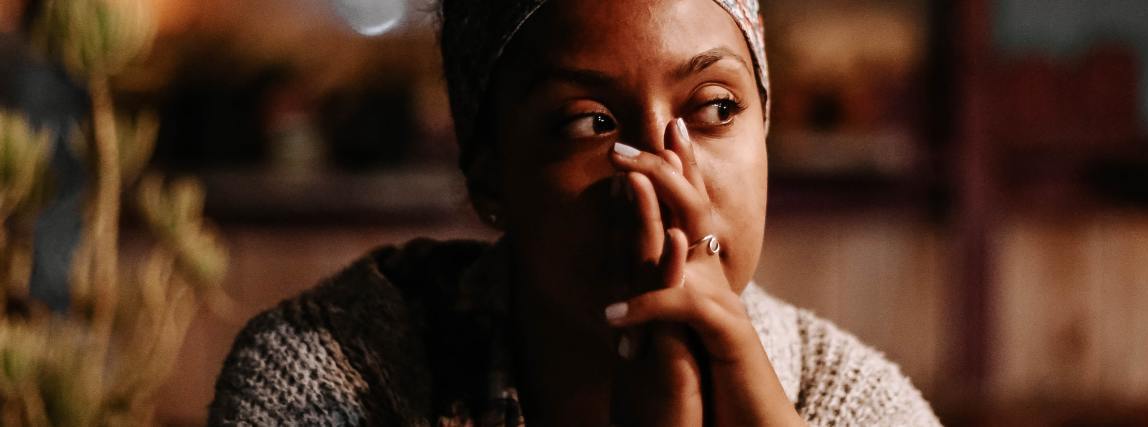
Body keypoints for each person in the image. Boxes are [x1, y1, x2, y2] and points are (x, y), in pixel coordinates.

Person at [207, 0, 942, 425]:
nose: (662, 171)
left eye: (715, 108)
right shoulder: (335, 375)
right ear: (490, 171)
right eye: (590, 123)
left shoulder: (849, 401)